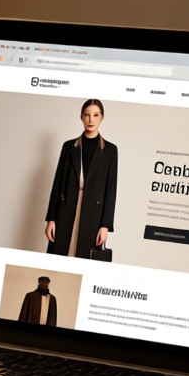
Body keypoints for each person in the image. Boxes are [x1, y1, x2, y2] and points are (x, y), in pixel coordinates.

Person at [45, 99, 118, 259]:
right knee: (58, 256)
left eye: (95, 115)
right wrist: (51, 218)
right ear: (81, 117)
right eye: (87, 115)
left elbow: (110, 190)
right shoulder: (69, 146)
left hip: (93, 216)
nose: (91, 120)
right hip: (65, 211)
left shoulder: (110, 150)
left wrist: (105, 225)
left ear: (102, 118)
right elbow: (57, 184)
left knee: (84, 259)